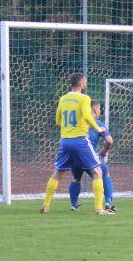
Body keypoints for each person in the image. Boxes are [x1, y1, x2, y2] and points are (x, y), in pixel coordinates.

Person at [41, 73, 110, 215]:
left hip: (65, 141)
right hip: (80, 140)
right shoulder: (84, 98)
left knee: (57, 173)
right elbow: (87, 116)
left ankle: (46, 206)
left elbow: (58, 120)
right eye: (85, 82)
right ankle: (99, 208)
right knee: (98, 172)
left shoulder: (63, 98)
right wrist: (98, 129)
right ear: (81, 83)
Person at [68, 100, 116, 212]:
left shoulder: (77, 121)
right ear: (94, 109)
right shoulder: (98, 124)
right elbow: (109, 141)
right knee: (104, 173)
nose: (100, 111)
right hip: (88, 156)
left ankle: (73, 205)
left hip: (74, 155)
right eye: (99, 109)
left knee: (76, 178)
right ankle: (107, 203)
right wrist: (104, 151)